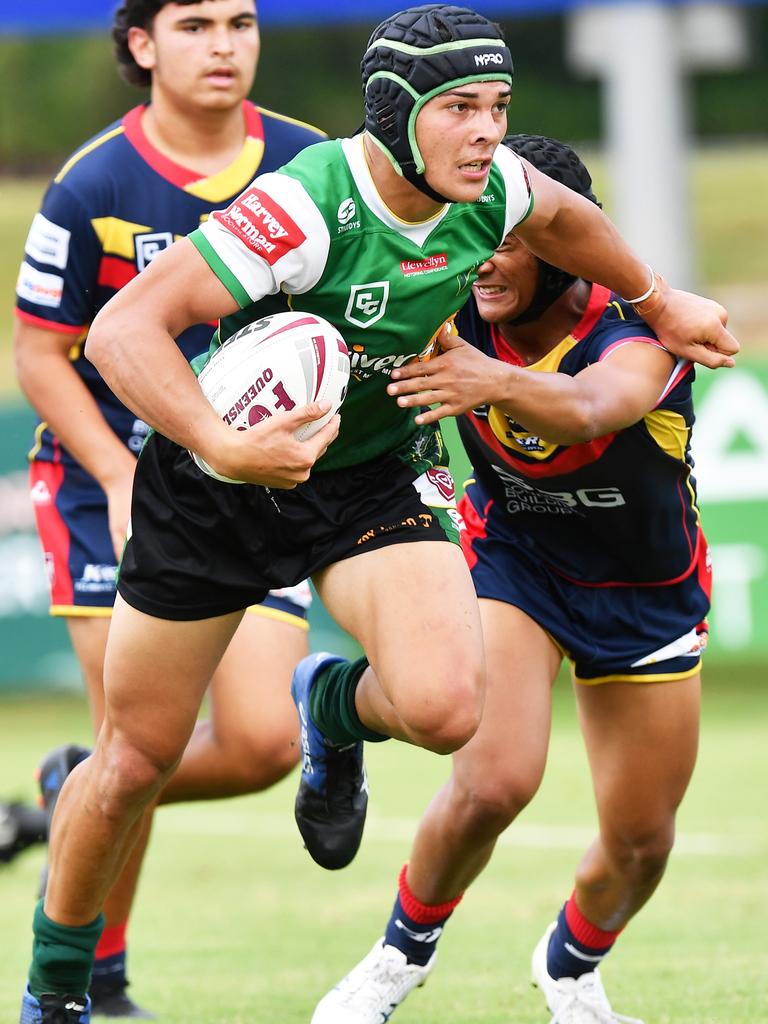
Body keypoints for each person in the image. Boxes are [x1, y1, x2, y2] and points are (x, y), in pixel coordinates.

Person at [18, 5, 737, 1022]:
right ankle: (55, 994)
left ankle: (329, 709)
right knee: (133, 760)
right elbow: (124, 330)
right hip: (218, 486)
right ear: (396, 113)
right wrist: (225, 445)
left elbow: (567, 221)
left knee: (448, 709)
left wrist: (658, 300)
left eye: (498, 106)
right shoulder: (308, 208)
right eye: (459, 109)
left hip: (362, 473)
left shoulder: (493, 189)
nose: (486, 131)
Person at [309, 134, 711, 1024]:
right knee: (494, 782)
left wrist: (484, 377)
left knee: (641, 842)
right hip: (516, 561)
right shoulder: (449, 298)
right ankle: (395, 960)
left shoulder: (640, 329)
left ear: (566, 251)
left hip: (647, 590)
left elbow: (590, 409)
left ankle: (570, 964)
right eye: (474, 229)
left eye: (509, 238)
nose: (482, 257)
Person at [12, 0, 325, 1016]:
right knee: (139, 745)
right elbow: (39, 352)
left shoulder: (311, 164)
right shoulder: (94, 182)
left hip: (245, 488)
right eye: (195, 25)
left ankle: (71, 789)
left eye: (241, 21)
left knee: (265, 746)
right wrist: (116, 471)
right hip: (116, 491)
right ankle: (96, 976)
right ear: (143, 45)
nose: (226, 44)